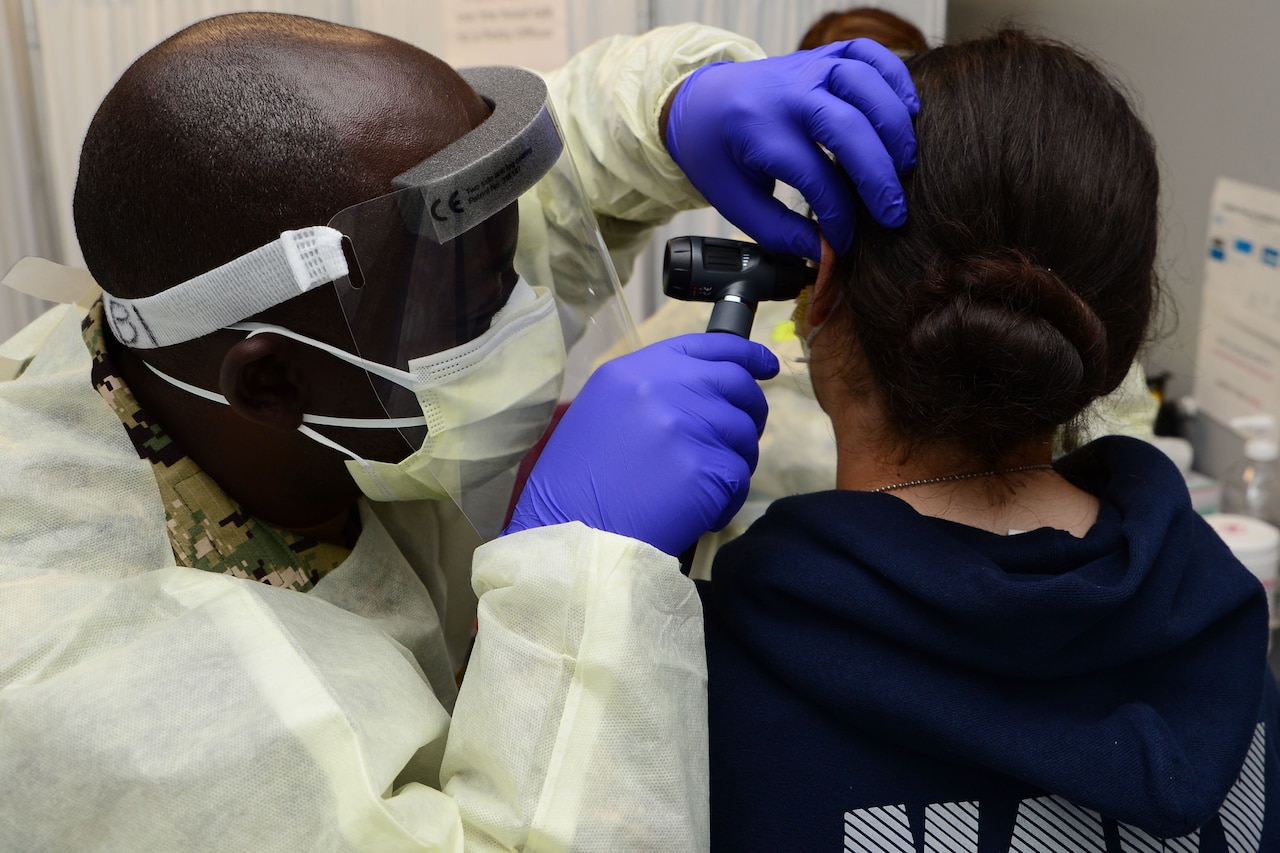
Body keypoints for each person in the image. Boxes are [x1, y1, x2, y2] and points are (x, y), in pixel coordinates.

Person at [0, 10, 919, 851]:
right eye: (481, 302)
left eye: (509, 263)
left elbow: (481, 223)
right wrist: (586, 580)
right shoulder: (111, 698)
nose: (524, 307)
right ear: (272, 379)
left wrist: (673, 111)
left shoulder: (263, 356)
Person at [508, 29, 1280, 851]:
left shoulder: (702, 683)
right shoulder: (1222, 633)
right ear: (1115, 343)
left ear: (823, 281)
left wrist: (560, 594)